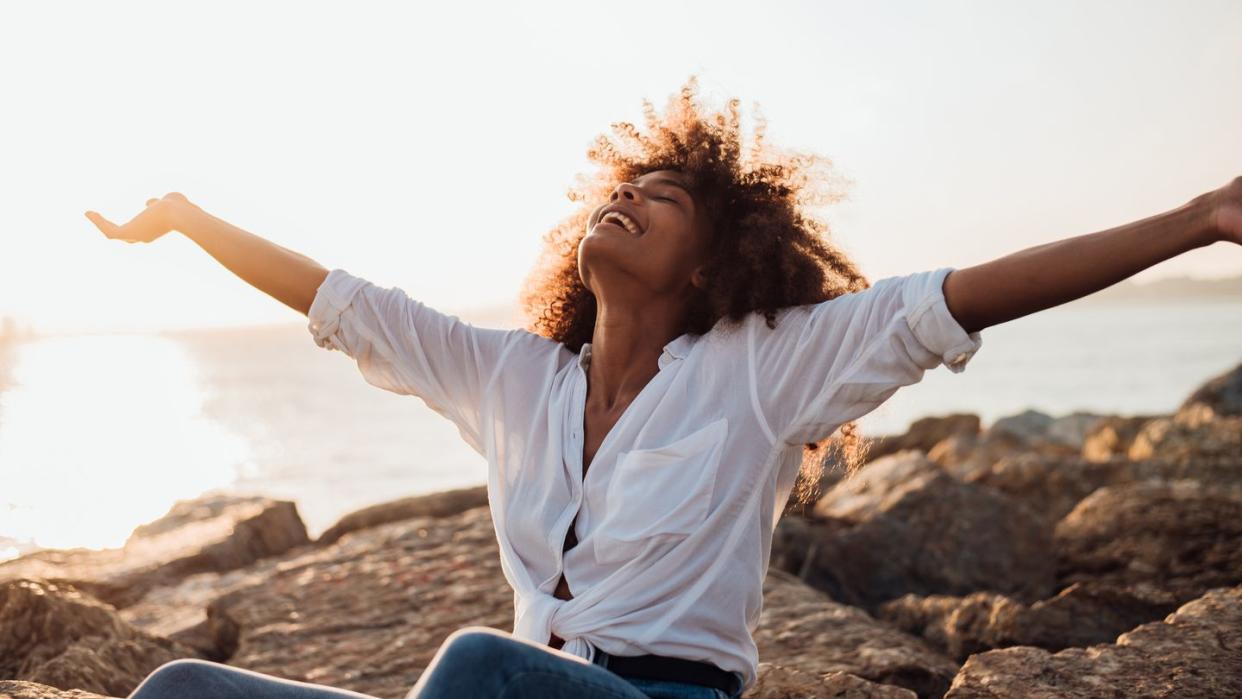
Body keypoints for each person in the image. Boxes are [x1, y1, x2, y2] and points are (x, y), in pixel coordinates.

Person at [89, 75, 1240, 699]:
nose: (624, 197)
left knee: (481, 664)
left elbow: (959, 297)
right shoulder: (511, 377)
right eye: (619, 185)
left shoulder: (766, 369)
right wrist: (187, 221)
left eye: (662, 197)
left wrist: (1194, 221)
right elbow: (343, 302)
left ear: (709, 262)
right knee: (186, 690)